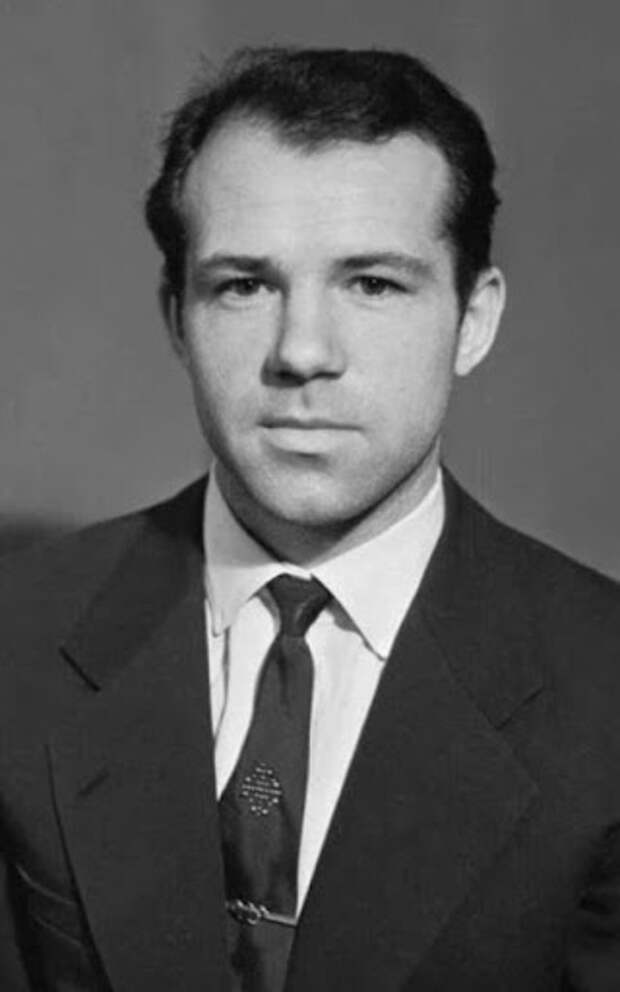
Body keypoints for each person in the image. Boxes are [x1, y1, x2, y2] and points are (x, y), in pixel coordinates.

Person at [1, 45, 620, 992]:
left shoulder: (602, 691)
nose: (302, 351)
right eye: (244, 285)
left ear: (474, 319)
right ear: (177, 318)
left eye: (373, 284)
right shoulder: (18, 635)